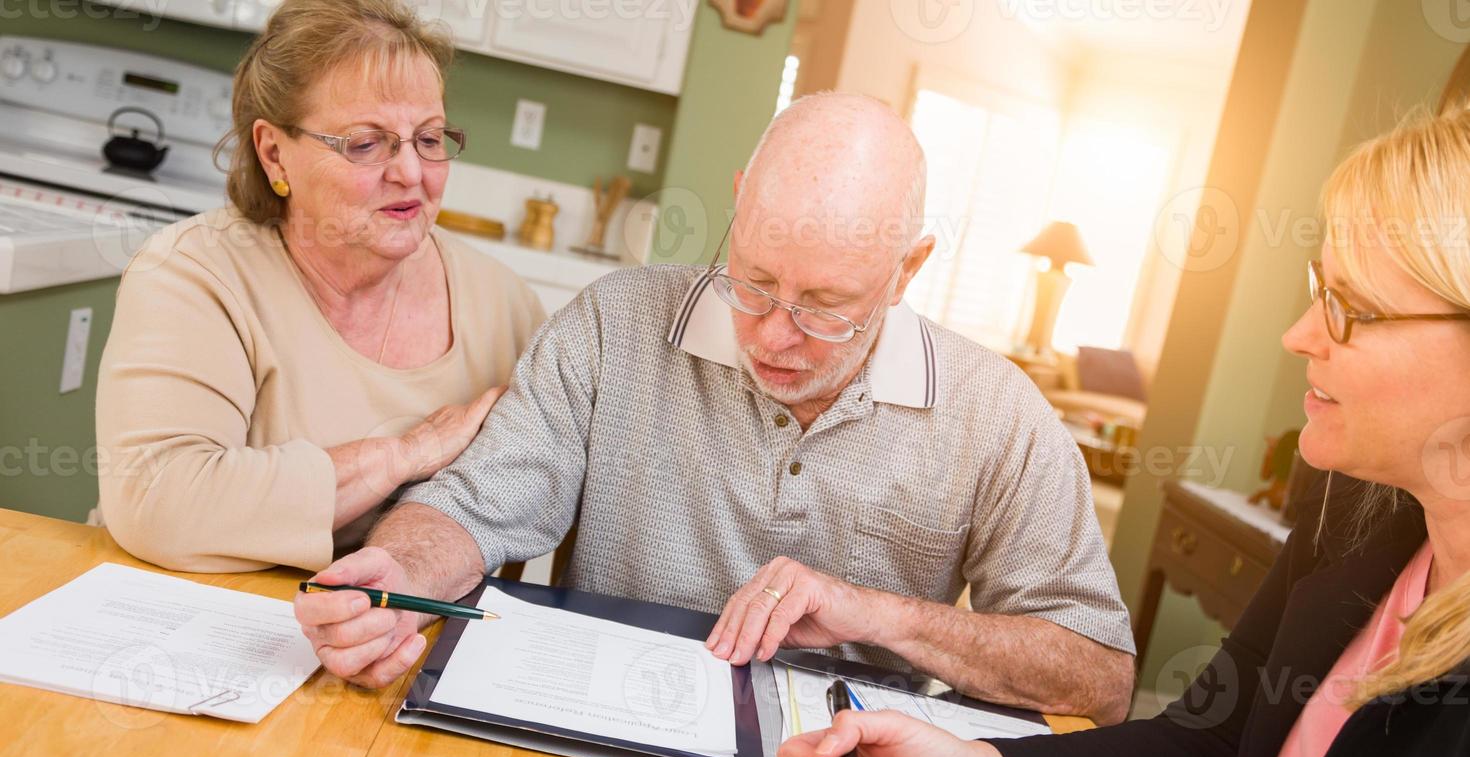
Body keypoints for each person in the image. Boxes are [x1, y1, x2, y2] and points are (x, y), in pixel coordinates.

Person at [772, 107, 1470, 757]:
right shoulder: (1356, 505)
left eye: (1351, 309)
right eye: (1315, 285)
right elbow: (1211, 753)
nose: (1299, 334)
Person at [292, 92, 1136, 717]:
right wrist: (398, 575)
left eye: (826, 306)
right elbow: (473, 509)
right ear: (740, 204)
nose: (772, 334)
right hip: (600, 718)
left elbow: (1099, 674)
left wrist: (881, 616)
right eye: (755, 281)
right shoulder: (615, 323)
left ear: (908, 269)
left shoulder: (999, 416)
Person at [94, 0, 543, 573]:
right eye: (365, 143)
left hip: (398, 636)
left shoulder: (506, 306)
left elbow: (531, 505)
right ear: (275, 154)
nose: (410, 172)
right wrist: (402, 456)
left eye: (429, 139)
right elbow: (159, 502)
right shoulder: (195, 274)